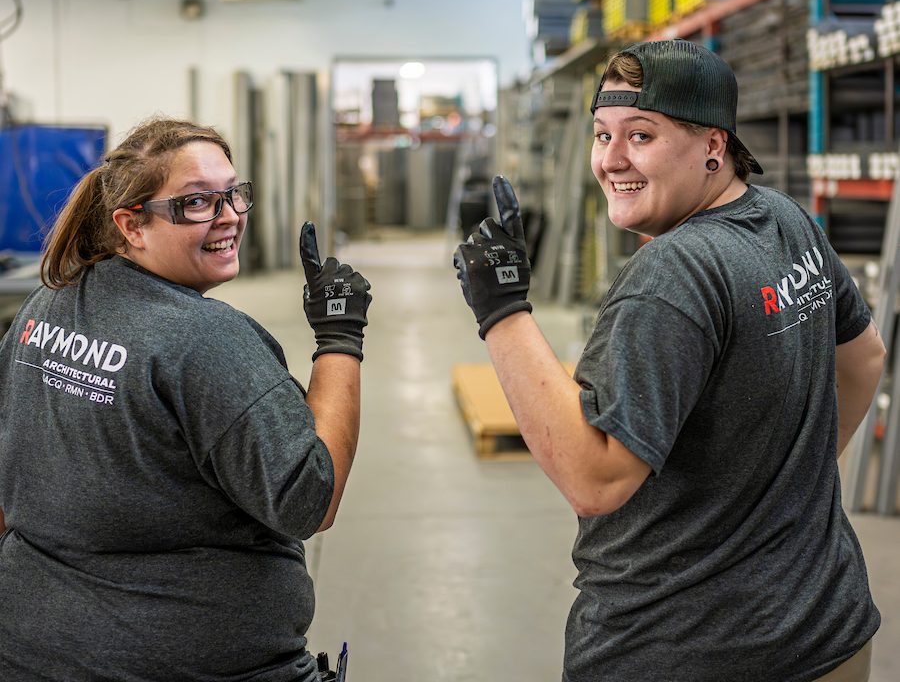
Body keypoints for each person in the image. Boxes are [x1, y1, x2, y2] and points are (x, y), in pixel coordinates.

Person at [453, 39, 886, 682]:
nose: (611, 161)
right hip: (826, 627)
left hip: (688, 648)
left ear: (714, 146)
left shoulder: (673, 275)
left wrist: (502, 311)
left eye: (641, 135)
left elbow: (595, 478)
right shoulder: (785, 220)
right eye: (602, 136)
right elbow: (865, 361)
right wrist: (779, 497)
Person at [0, 117, 371, 681]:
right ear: (132, 225)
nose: (229, 217)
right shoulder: (204, 338)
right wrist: (339, 339)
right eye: (196, 203)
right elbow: (309, 502)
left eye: (233, 194)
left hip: (32, 651)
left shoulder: (45, 307)